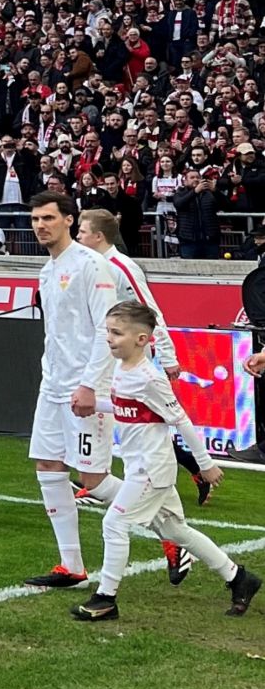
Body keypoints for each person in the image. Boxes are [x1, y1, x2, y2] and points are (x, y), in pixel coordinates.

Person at [71, 302, 257, 621]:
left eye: (117, 333)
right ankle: (239, 577)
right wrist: (97, 405)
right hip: (140, 467)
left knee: (114, 522)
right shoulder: (122, 371)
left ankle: (106, 598)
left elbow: (181, 419)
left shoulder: (149, 378)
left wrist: (204, 464)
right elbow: (131, 409)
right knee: (177, 530)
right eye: (108, 332)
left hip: (151, 470)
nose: (110, 339)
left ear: (142, 339)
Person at [77, 208, 213, 506]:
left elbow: (150, 312)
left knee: (136, 419)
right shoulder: (88, 265)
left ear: (98, 236)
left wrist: (167, 355)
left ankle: (182, 473)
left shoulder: (121, 267)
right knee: (116, 415)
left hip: (129, 356)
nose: (77, 237)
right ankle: (99, 477)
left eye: (82, 231)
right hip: (105, 351)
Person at [23, 192, 119, 589]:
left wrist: (89, 384)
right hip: (54, 384)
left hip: (85, 386)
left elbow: (106, 328)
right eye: (35, 219)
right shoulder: (48, 270)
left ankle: (167, 526)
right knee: (47, 464)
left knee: (93, 480)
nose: (40, 225)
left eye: (48, 218)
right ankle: (72, 566)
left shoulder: (91, 265)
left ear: (68, 220)